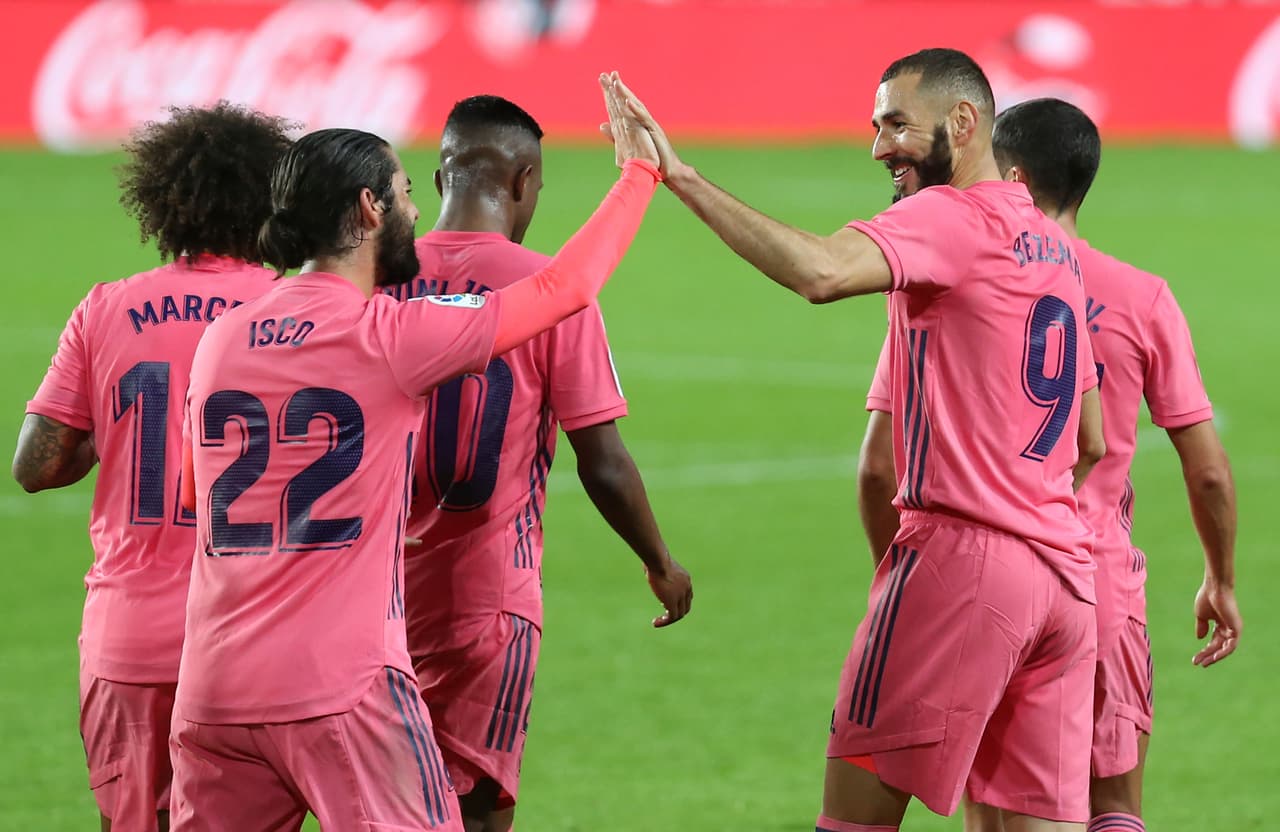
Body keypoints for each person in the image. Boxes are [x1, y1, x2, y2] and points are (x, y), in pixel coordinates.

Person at [610, 51, 1104, 830]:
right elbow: (1093, 437)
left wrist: (680, 177)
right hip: (1067, 585)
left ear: (965, 124)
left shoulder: (950, 216)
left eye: (899, 124)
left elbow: (820, 271)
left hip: (964, 561)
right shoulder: (1052, 247)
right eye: (876, 126)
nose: (879, 147)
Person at [168, 76, 663, 831]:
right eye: (402, 194)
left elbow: (195, 500)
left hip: (211, 690)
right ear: (368, 210)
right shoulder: (387, 338)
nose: (414, 210)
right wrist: (640, 173)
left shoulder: (221, 339)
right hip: (343, 685)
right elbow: (567, 286)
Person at [392, 94, 692, 832]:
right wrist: (659, 561)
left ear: (439, 180)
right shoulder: (551, 292)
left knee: (382, 807)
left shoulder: (370, 282)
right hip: (487, 602)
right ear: (524, 181)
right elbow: (605, 463)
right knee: (477, 812)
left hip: (370, 599)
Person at [953, 97, 1240, 832]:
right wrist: (1221, 577)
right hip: (1098, 578)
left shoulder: (967, 284)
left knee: (996, 810)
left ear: (1012, 177)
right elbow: (1206, 468)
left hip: (995, 578)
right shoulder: (1143, 297)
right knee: (1113, 806)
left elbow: (881, 461)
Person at [12, 103, 291, 832]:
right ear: (269, 201)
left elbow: (34, 466)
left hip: (129, 638)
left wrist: (119, 432)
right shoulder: (292, 311)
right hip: (254, 640)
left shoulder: (106, 310)